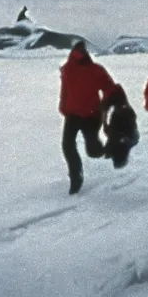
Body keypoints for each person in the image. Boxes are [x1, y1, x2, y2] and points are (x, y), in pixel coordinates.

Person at [58, 41, 117, 195]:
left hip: (92, 115)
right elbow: (65, 89)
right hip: (72, 114)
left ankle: (108, 148)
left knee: (93, 150)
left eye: (81, 52)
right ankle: (75, 177)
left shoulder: (96, 70)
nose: (79, 55)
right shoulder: (67, 70)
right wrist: (63, 106)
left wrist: (106, 103)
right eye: (77, 52)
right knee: (67, 145)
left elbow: (109, 87)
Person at [102, 84, 139, 169]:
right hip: (124, 117)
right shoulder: (130, 141)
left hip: (122, 118)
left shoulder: (126, 142)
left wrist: (104, 121)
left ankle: (118, 105)